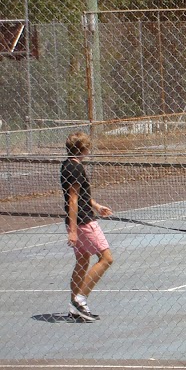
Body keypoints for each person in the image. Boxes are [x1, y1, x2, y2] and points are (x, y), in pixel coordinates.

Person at [60, 132, 113, 322]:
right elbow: (73, 200)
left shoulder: (68, 165)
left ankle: (75, 307)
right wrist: (73, 230)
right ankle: (79, 301)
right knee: (106, 258)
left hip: (77, 219)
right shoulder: (76, 168)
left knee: (83, 260)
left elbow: (79, 194)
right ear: (83, 149)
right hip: (83, 222)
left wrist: (96, 206)